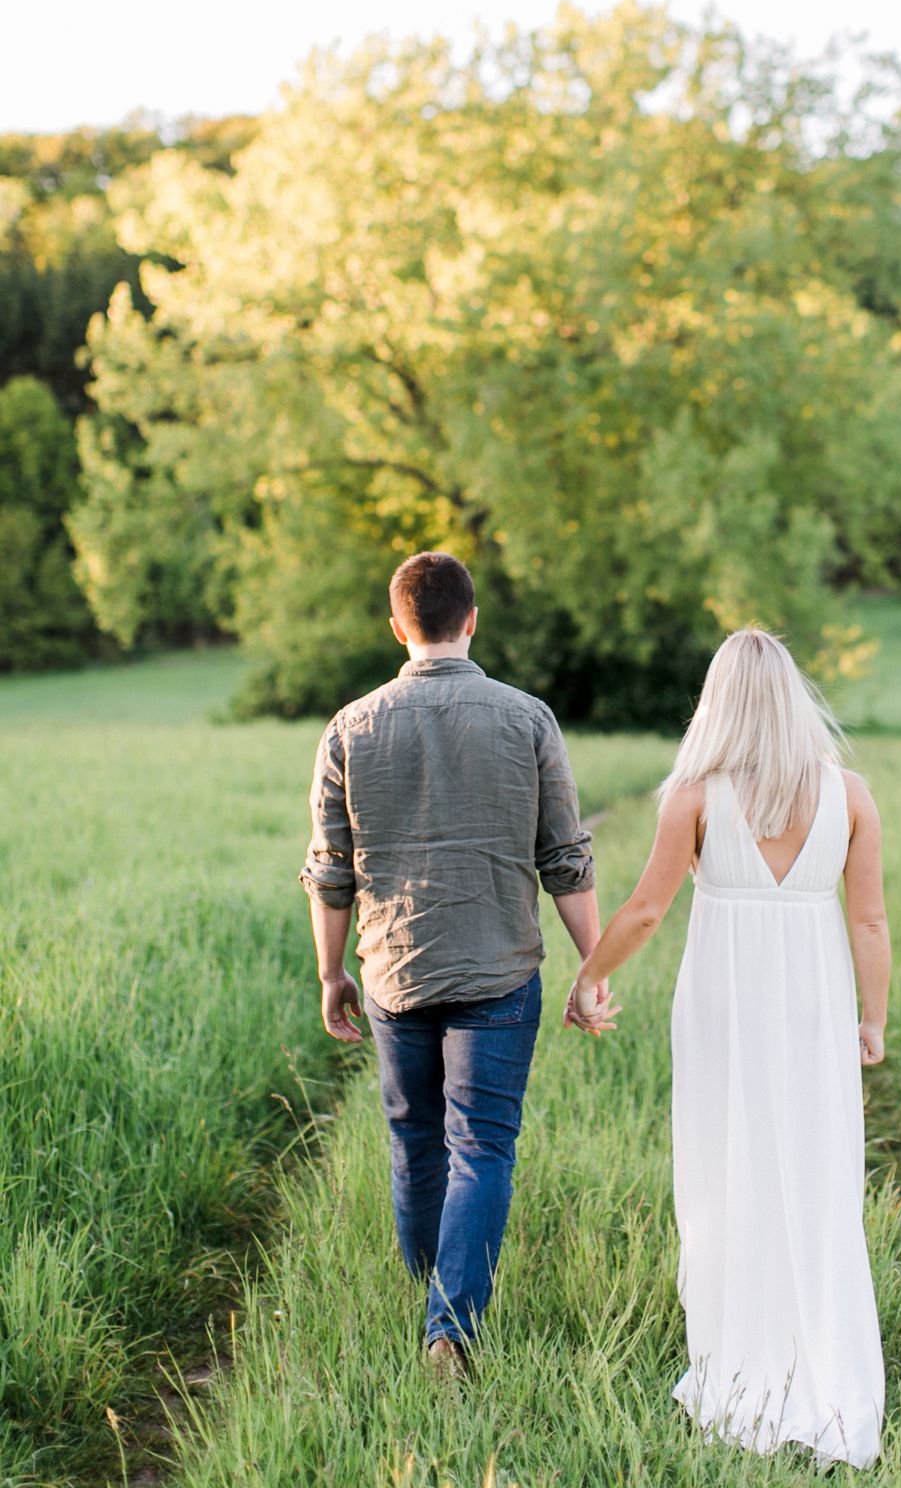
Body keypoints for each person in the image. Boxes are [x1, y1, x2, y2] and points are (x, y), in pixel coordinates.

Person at [569, 626, 889, 1468]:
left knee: (727, 1176)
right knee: (817, 1180)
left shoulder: (695, 797)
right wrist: (873, 1019)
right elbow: (869, 920)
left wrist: (589, 977)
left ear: (719, 704)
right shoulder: (851, 795)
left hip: (725, 1011)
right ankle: (822, 1366)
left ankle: (739, 1365)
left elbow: (646, 910)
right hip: (814, 1010)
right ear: (791, 698)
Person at [299, 550, 608, 1378]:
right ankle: (450, 1327)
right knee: (483, 1147)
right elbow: (566, 859)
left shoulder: (349, 727)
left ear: (397, 628)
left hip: (395, 971)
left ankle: (434, 1302)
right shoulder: (528, 719)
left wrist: (332, 973)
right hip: (499, 972)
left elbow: (330, 871)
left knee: (415, 1140)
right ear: (471, 620)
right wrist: (594, 966)